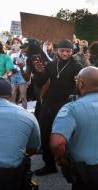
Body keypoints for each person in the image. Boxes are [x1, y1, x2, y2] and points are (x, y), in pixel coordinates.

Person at [32, 39, 83, 176]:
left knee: (67, 135)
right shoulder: (51, 65)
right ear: (56, 51)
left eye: (68, 51)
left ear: (72, 52)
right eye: (62, 50)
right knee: (45, 133)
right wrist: (38, 72)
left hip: (67, 104)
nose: (65, 53)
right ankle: (49, 164)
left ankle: (68, 162)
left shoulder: (77, 67)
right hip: (49, 103)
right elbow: (41, 82)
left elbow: (80, 87)